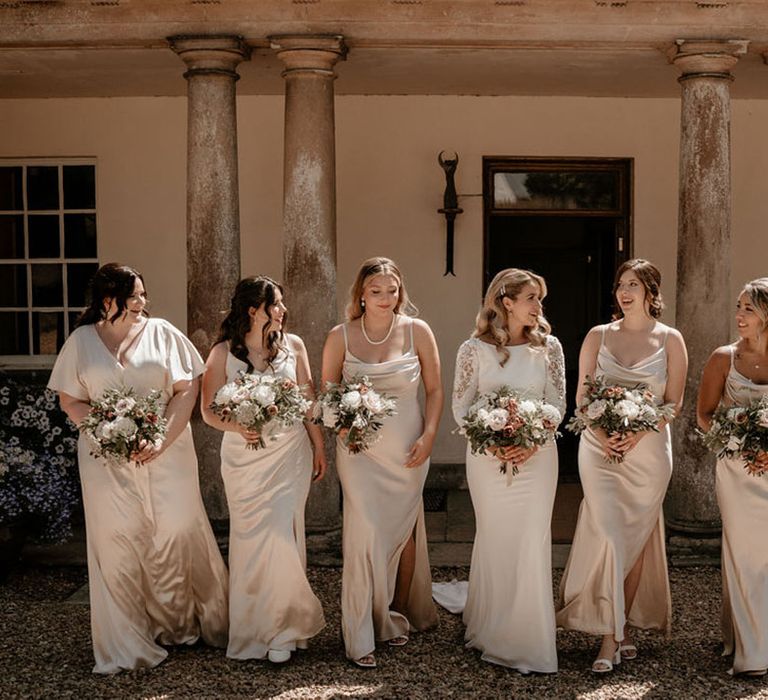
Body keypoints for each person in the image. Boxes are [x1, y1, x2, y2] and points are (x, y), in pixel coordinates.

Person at [47, 263, 228, 674]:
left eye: (144, 294)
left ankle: (180, 625)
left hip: (167, 450)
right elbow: (70, 400)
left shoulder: (162, 331)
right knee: (117, 540)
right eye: (135, 296)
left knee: (175, 531)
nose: (143, 302)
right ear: (107, 300)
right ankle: (126, 639)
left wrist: (159, 437)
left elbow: (186, 390)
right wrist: (106, 432)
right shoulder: (80, 341)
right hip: (103, 457)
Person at [556, 258, 687, 673]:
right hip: (599, 450)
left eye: (633, 284)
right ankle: (609, 639)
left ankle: (619, 628)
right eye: (620, 284)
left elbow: (674, 403)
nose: (624, 291)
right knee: (612, 535)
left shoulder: (671, 339)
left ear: (651, 291)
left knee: (634, 540)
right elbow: (580, 399)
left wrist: (637, 432)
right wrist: (602, 433)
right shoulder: (598, 336)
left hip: (648, 453)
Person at [321, 256, 441, 668]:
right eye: (376, 291)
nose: (386, 298)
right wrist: (342, 429)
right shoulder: (341, 336)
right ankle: (359, 629)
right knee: (365, 530)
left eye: (392, 290)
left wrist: (428, 437)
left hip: (407, 449)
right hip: (359, 452)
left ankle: (388, 616)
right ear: (360, 294)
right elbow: (328, 395)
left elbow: (436, 389)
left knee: (396, 532)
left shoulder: (417, 332)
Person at [201, 276, 326, 664]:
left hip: (290, 454)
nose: (283, 311)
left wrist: (319, 446)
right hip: (243, 459)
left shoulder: (295, 346)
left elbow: (308, 400)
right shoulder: (222, 353)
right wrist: (238, 425)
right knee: (252, 541)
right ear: (253, 310)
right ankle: (256, 628)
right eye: (275, 304)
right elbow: (208, 410)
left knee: (281, 533)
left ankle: (285, 629)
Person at [452, 268, 565, 674]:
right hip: (487, 459)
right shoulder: (472, 349)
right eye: (532, 298)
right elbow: (461, 409)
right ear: (506, 302)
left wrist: (531, 438)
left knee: (532, 540)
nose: (539, 307)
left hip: (538, 457)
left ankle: (528, 638)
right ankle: (491, 627)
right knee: (497, 537)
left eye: (540, 299)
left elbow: (557, 404)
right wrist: (493, 437)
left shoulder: (549, 347)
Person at [697, 277, 768, 677]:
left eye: (748, 309)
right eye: (738, 307)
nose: (739, 315)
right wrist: (739, 442)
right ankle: (751, 650)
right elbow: (704, 416)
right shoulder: (723, 357)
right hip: (737, 471)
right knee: (743, 554)